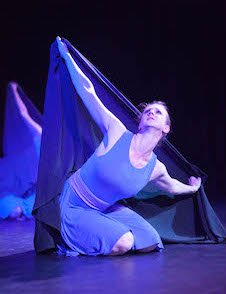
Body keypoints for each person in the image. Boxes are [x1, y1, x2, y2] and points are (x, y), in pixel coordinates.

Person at [55, 37, 201, 256]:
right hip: (74, 205)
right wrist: (68, 57)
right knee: (124, 242)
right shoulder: (116, 132)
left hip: (104, 209)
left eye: (158, 112)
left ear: (166, 128)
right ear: (140, 121)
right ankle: (79, 236)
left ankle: (101, 227)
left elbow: (172, 187)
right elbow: (89, 94)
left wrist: (193, 188)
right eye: (147, 111)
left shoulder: (155, 168)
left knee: (150, 242)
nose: (151, 112)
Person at [0, 82, 42, 220]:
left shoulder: (57, 151)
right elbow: (23, 114)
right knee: (15, 210)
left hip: (35, 194)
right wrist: (13, 91)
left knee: (30, 209)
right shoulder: (39, 135)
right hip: (20, 188)